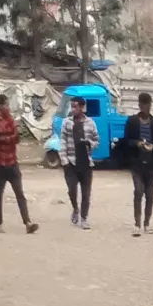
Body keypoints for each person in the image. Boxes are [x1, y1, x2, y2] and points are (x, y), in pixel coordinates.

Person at [0, 94, 39, 234]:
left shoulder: (10, 119)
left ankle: (28, 222)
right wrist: (6, 135)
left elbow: (16, 137)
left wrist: (4, 138)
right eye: (6, 105)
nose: (8, 108)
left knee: (20, 193)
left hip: (11, 162)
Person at [122, 92, 153, 237]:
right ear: (139, 105)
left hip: (152, 164)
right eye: (143, 105)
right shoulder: (132, 121)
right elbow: (126, 141)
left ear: (150, 105)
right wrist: (137, 143)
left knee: (149, 194)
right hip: (136, 163)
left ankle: (147, 223)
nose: (146, 108)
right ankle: (137, 224)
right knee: (138, 191)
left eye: (148, 105)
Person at [60, 96, 99, 228]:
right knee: (72, 190)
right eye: (71, 107)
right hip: (71, 162)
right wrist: (64, 160)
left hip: (86, 163)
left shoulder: (90, 123)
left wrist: (89, 143)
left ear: (82, 107)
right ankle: (75, 209)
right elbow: (63, 141)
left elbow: (96, 141)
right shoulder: (67, 122)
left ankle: (84, 218)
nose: (73, 109)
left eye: (75, 107)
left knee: (86, 193)